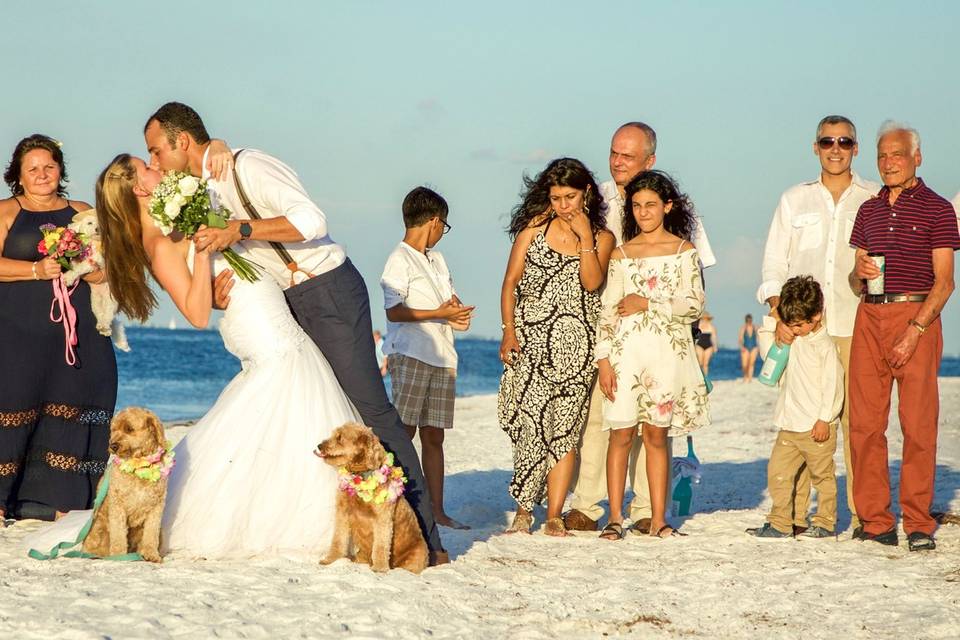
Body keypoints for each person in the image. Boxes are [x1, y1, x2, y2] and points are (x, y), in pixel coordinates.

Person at [143, 102, 445, 562]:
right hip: (289, 304)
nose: (153, 163)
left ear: (182, 142)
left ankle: (426, 540)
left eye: (155, 151)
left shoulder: (249, 166)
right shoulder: (199, 188)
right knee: (327, 411)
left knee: (371, 413)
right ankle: (368, 529)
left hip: (328, 290)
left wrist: (238, 228)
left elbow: (311, 221)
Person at [565, 122, 716, 534]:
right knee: (603, 421)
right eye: (613, 152)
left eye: (627, 156)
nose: (617, 162)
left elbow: (696, 275)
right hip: (609, 330)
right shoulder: (592, 198)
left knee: (655, 428)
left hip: (662, 335)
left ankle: (649, 509)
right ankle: (589, 506)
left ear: (650, 160)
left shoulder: (675, 206)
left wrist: (686, 333)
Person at [758, 114, 879, 535]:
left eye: (844, 142)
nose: (835, 149)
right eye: (827, 141)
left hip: (856, 324)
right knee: (802, 422)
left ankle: (863, 515)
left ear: (855, 148)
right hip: (803, 329)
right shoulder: (794, 199)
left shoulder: (874, 197)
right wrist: (781, 317)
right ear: (815, 147)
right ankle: (792, 517)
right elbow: (774, 263)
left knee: (856, 424)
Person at [849, 121, 960, 552]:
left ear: (917, 157)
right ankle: (876, 520)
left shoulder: (937, 209)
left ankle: (917, 521)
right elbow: (858, 276)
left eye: (897, 154)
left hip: (917, 316)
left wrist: (915, 330)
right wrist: (858, 275)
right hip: (869, 316)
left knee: (917, 426)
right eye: (881, 156)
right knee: (864, 426)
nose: (888, 162)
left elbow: (945, 282)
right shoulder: (868, 210)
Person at [0, 134, 117, 525]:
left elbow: (111, 265)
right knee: (11, 407)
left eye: (49, 166)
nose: (42, 174)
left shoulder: (82, 212)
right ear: (17, 174)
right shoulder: (5, 212)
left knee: (74, 406)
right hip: (16, 337)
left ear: (61, 170)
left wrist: (97, 272)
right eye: (32, 168)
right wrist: (35, 269)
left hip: (78, 338)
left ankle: (56, 502)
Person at [498, 158, 615, 536]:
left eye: (570, 197)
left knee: (565, 432)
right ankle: (522, 510)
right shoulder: (533, 230)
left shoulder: (603, 237)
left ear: (587, 194)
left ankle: (553, 512)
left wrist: (584, 239)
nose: (564, 205)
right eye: (556, 197)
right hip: (531, 343)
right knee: (531, 426)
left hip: (578, 349)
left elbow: (591, 282)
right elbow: (510, 283)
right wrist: (508, 331)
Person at [595, 170, 709, 540]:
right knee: (620, 435)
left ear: (667, 206)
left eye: (651, 205)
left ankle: (659, 519)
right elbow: (608, 312)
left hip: (666, 357)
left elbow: (693, 305)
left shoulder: (683, 252)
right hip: (627, 355)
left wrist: (647, 301)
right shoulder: (621, 254)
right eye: (637, 205)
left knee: (657, 437)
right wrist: (604, 361)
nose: (643, 212)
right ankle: (614, 517)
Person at [380, 186, 474, 530]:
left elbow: (448, 301)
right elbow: (394, 311)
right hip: (412, 353)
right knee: (404, 432)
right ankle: (393, 503)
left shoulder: (437, 259)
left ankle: (437, 510)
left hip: (442, 355)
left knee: (435, 436)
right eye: (443, 225)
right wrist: (439, 312)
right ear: (434, 221)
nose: (441, 233)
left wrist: (456, 313)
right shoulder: (399, 258)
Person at [747, 276, 844, 539]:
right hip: (788, 424)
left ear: (817, 316)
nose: (796, 329)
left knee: (821, 477)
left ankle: (824, 521)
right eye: (791, 324)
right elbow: (768, 351)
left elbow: (834, 386)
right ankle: (783, 522)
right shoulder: (791, 338)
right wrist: (774, 323)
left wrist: (825, 418)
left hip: (816, 427)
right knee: (780, 475)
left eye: (800, 324)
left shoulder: (824, 346)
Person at [738, 314, 759, 382]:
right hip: (745, 347)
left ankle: (750, 378)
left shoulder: (755, 327)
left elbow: (758, 338)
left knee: (751, 363)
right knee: (744, 364)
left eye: (750, 320)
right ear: (746, 321)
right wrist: (741, 347)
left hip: (754, 347)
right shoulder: (743, 328)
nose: (749, 322)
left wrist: (759, 347)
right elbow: (740, 339)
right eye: (748, 320)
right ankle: (745, 375)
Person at [695, 311, 717, 375]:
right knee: (700, 362)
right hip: (699, 345)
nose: (705, 320)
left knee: (706, 364)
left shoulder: (712, 327)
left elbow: (714, 337)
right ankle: (699, 377)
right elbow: (696, 337)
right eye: (703, 318)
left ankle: (706, 378)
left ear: (708, 319)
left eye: (706, 318)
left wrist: (715, 347)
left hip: (709, 346)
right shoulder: (699, 326)